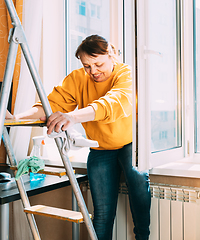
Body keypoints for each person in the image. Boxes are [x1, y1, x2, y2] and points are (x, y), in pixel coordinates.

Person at [6, 35, 151, 240]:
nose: (93, 71)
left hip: (130, 144)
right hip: (100, 148)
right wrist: (15, 117)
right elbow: (50, 106)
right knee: (101, 214)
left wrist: (72, 116)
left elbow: (115, 102)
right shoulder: (77, 78)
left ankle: (143, 237)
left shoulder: (125, 73)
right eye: (87, 66)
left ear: (112, 56)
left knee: (138, 188)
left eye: (98, 64)